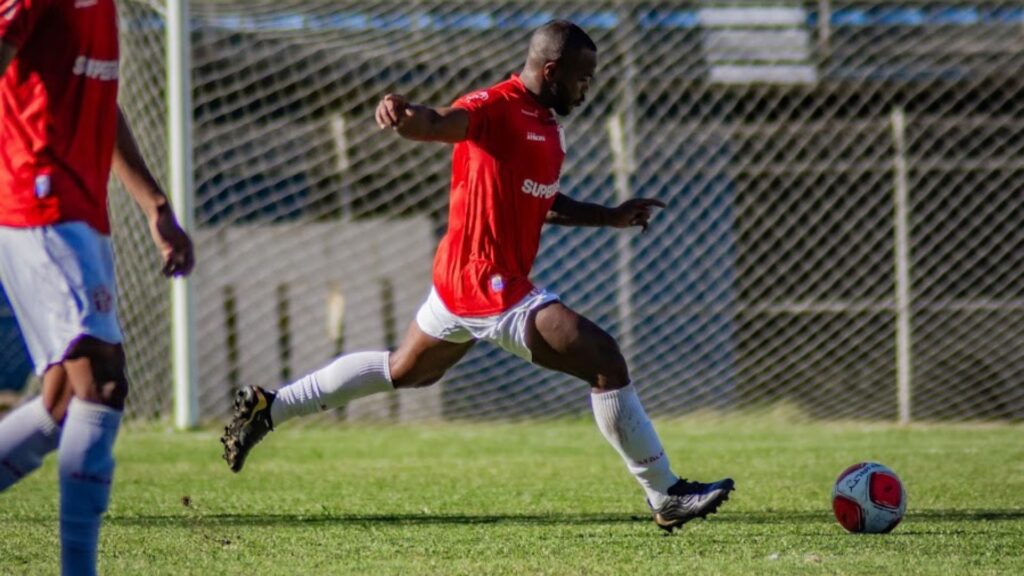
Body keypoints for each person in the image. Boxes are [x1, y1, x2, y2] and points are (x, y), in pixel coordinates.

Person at [220, 19, 733, 532]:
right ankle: (663, 492)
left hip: (460, 284)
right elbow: (440, 122)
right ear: (551, 70)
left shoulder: (545, 123)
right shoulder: (497, 106)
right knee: (604, 359)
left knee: (406, 370)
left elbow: (540, 201)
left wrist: (610, 215)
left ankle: (273, 406)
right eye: (582, 78)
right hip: (488, 284)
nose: (587, 88)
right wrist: (403, 114)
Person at [0, 1, 194, 574]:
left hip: (82, 214)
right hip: (38, 203)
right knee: (103, 385)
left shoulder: (101, 7)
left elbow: (101, 105)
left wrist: (155, 205)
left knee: (61, 405)